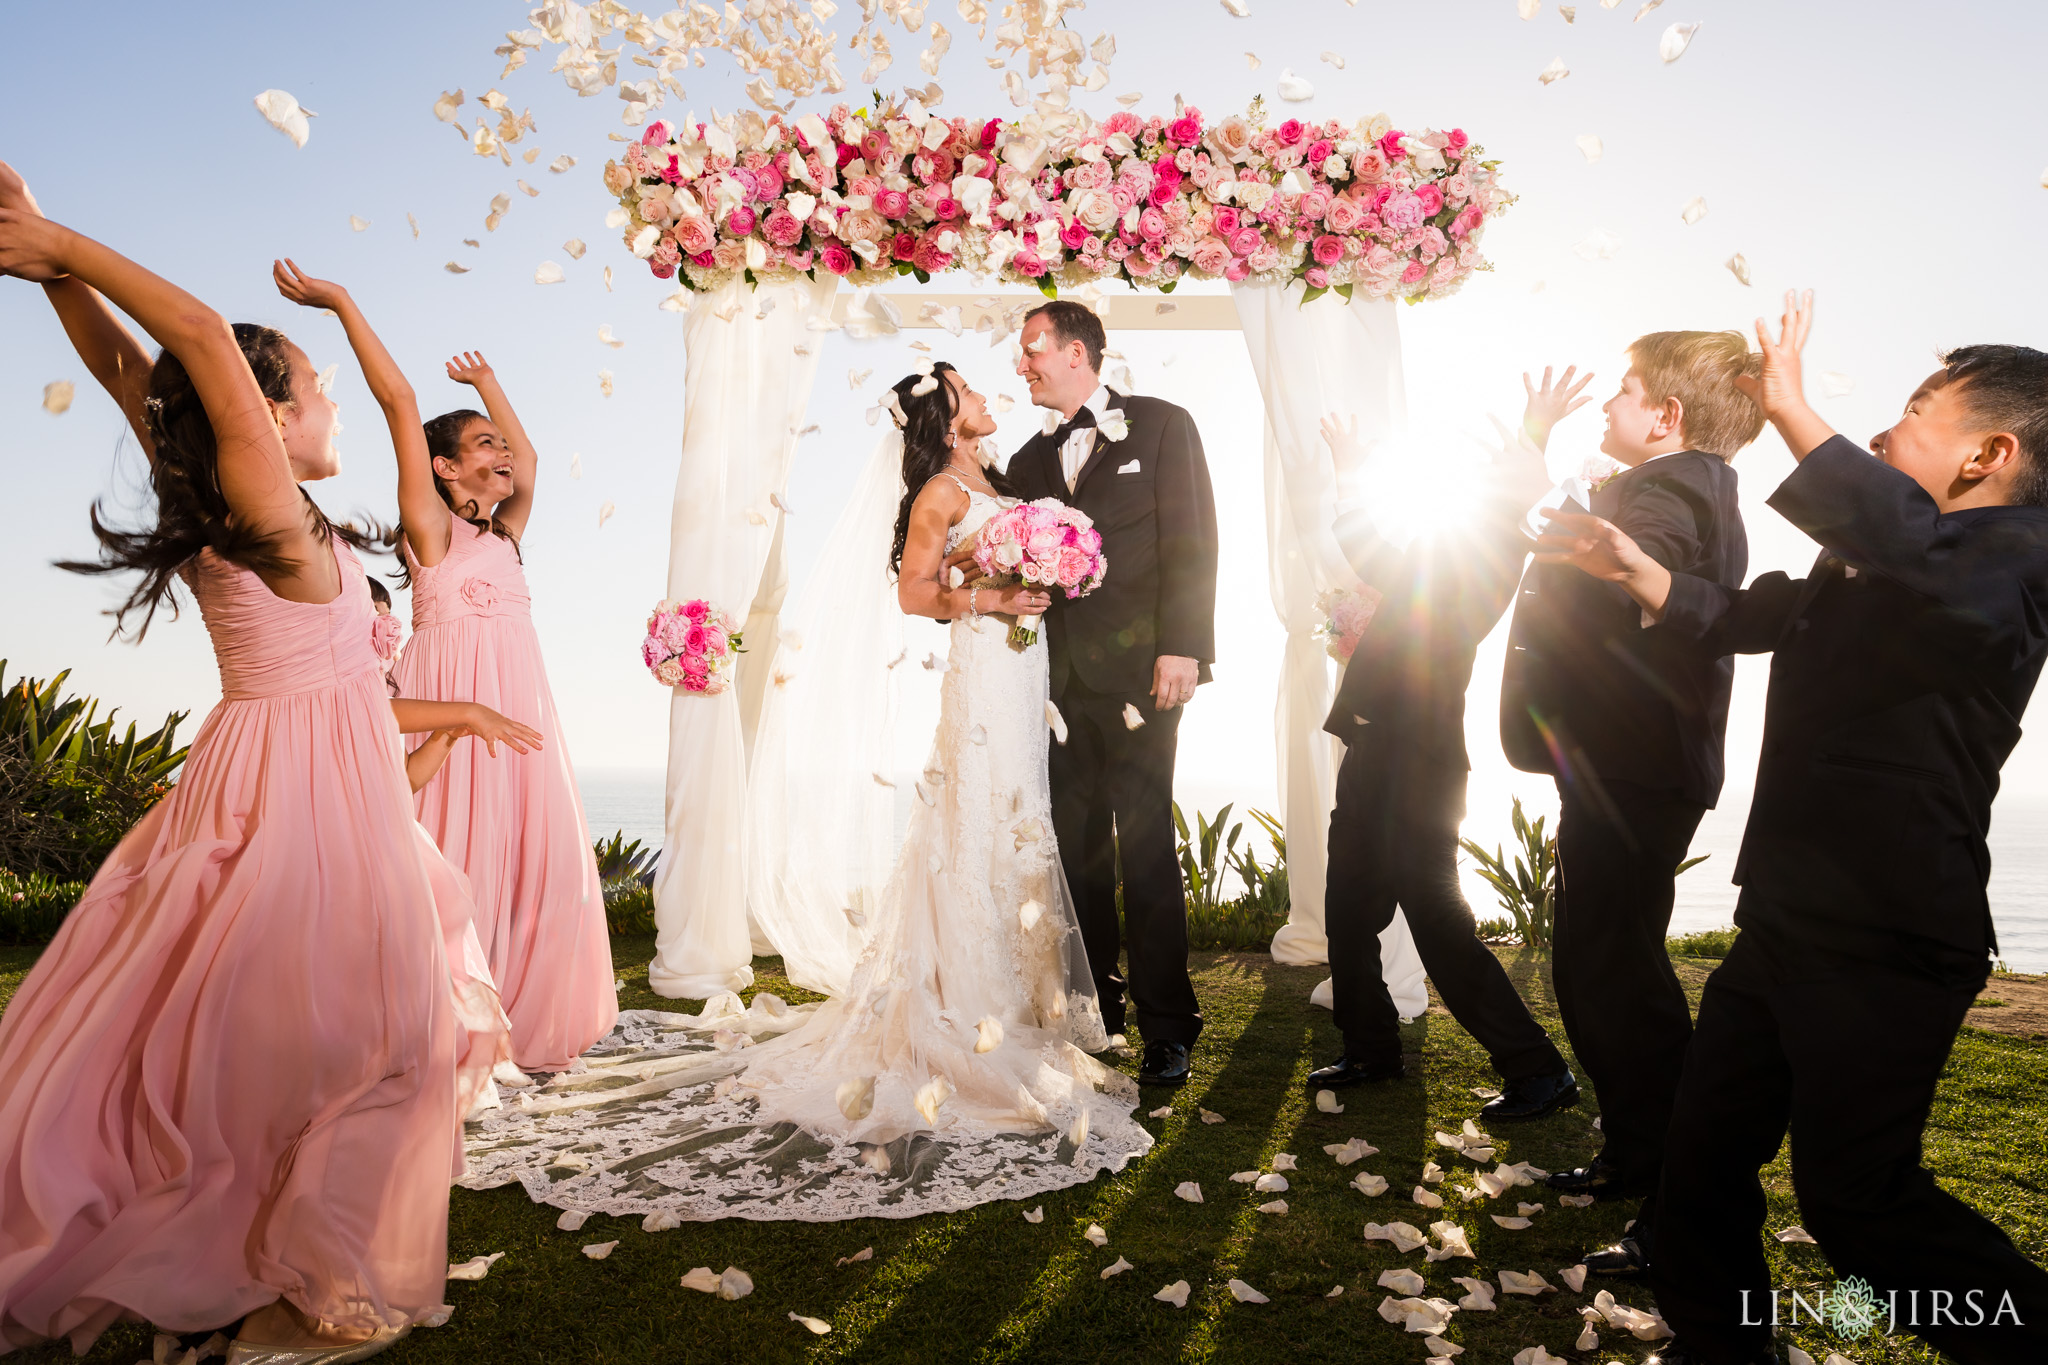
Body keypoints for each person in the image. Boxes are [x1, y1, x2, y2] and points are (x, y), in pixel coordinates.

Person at [0, 175, 525, 1362]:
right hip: (300, 798)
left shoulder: (252, 507)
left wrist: (58, 277)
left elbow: (136, 377)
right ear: (266, 415)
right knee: (363, 1034)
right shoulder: (271, 516)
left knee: (285, 1032)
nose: (332, 397)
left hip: (276, 775)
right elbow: (186, 343)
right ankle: (291, 1275)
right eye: (314, 382)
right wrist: (61, 242)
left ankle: (268, 1252)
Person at [454, 363, 1153, 1223]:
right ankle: (964, 1011)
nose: (983, 395)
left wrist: (1045, 572)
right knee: (975, 825)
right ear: (945, 416)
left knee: (1016, 824)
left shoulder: (998, 479)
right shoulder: (939, 488)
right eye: (968, 389)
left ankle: (1012, 1004)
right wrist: (995, 593)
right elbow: (913, 593)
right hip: (984, 669)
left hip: (1023, 669)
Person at [1541, 293, 2048, 1365]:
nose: (1878, 433)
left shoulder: (2013, 564)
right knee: (1700, 1155)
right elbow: (1740, 612)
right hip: (1783, 918)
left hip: (1886, 937)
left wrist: (1786, 407)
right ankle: (1727, 1347)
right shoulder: (1879, 552)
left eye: (1916, 410)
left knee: (1858, 1203)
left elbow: (1919, 556)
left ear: (1988, 454)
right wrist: (1626, 565)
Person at [1499, 331, 1762, 1270]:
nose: (1610, 405)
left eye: (1624, 391)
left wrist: (1541, 481)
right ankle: (1638, 1150)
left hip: (1635, 765)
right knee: (1596, 964)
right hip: (1625, 763)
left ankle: (1678, 1196)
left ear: (1667, 416)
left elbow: (1634, 562)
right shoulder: (1682, 480)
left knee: (1617, 975)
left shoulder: (1671, 487)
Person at [1306, 372, 1581, 1122]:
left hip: (1416, 765)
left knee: (1438, 923)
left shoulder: (1486, 562)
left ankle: (1537, 1068)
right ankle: (1370, 1048)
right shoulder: (1447, 556)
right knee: (1347, 911)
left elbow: (1369, 544)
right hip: (1375, 757)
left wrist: (1531, 438)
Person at [367, 336, 616, 1075]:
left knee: (523, 852)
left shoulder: (506, 532)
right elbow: (400, 414)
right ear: (443, 468)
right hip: (453, 699)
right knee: (455, 849)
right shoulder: (433, 529)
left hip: (516, 699)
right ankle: (442, 1024)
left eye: (500, 443)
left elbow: (530, 464)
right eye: (483, 444)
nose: (503, 453)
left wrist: (490, 384)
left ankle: (516, 1017)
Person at [1005, 300, 1218, 1088]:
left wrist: (1184, 645)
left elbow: (1195, 539)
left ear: (1077, 351)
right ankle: (1099, 1008)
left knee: (1148, 847)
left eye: (1031, 350)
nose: (1021, 365)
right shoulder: (1026, 463)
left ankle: (1170, 1025)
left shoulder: (1162, 425)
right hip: (1058, 687)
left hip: (1146, 678)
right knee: (1077, 851)